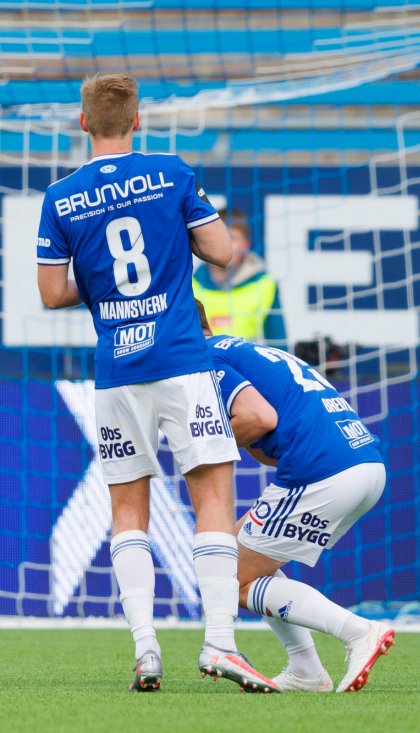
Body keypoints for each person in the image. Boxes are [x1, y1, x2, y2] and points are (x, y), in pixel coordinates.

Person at [36, 73, 275, 693]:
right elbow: (222, 252)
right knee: (214, 499)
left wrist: (103, 281)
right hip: (183, 363)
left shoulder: (60, 197)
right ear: (137, 121)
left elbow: (51, 292)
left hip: (117, 373)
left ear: (82, 123)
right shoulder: (171, 171)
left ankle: (146, 651)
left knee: (127, 512)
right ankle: (220, 643)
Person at [196, 301, 394, 693]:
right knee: (239, 559)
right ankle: (305, 669)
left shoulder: (204, 359)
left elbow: (258, 419)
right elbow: (263, 438)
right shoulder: (243, 350)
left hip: (325, 469)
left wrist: (198, 447)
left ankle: (358, 632)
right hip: (364, 462)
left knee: (230, 576)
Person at [193, 210, 288, 350]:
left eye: (231, 238)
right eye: (218, 237)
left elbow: (279, 346)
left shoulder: (265, 285)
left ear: (246, 244)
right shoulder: (190, 284)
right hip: (203, 368)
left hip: (247, 369)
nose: (223, 244)